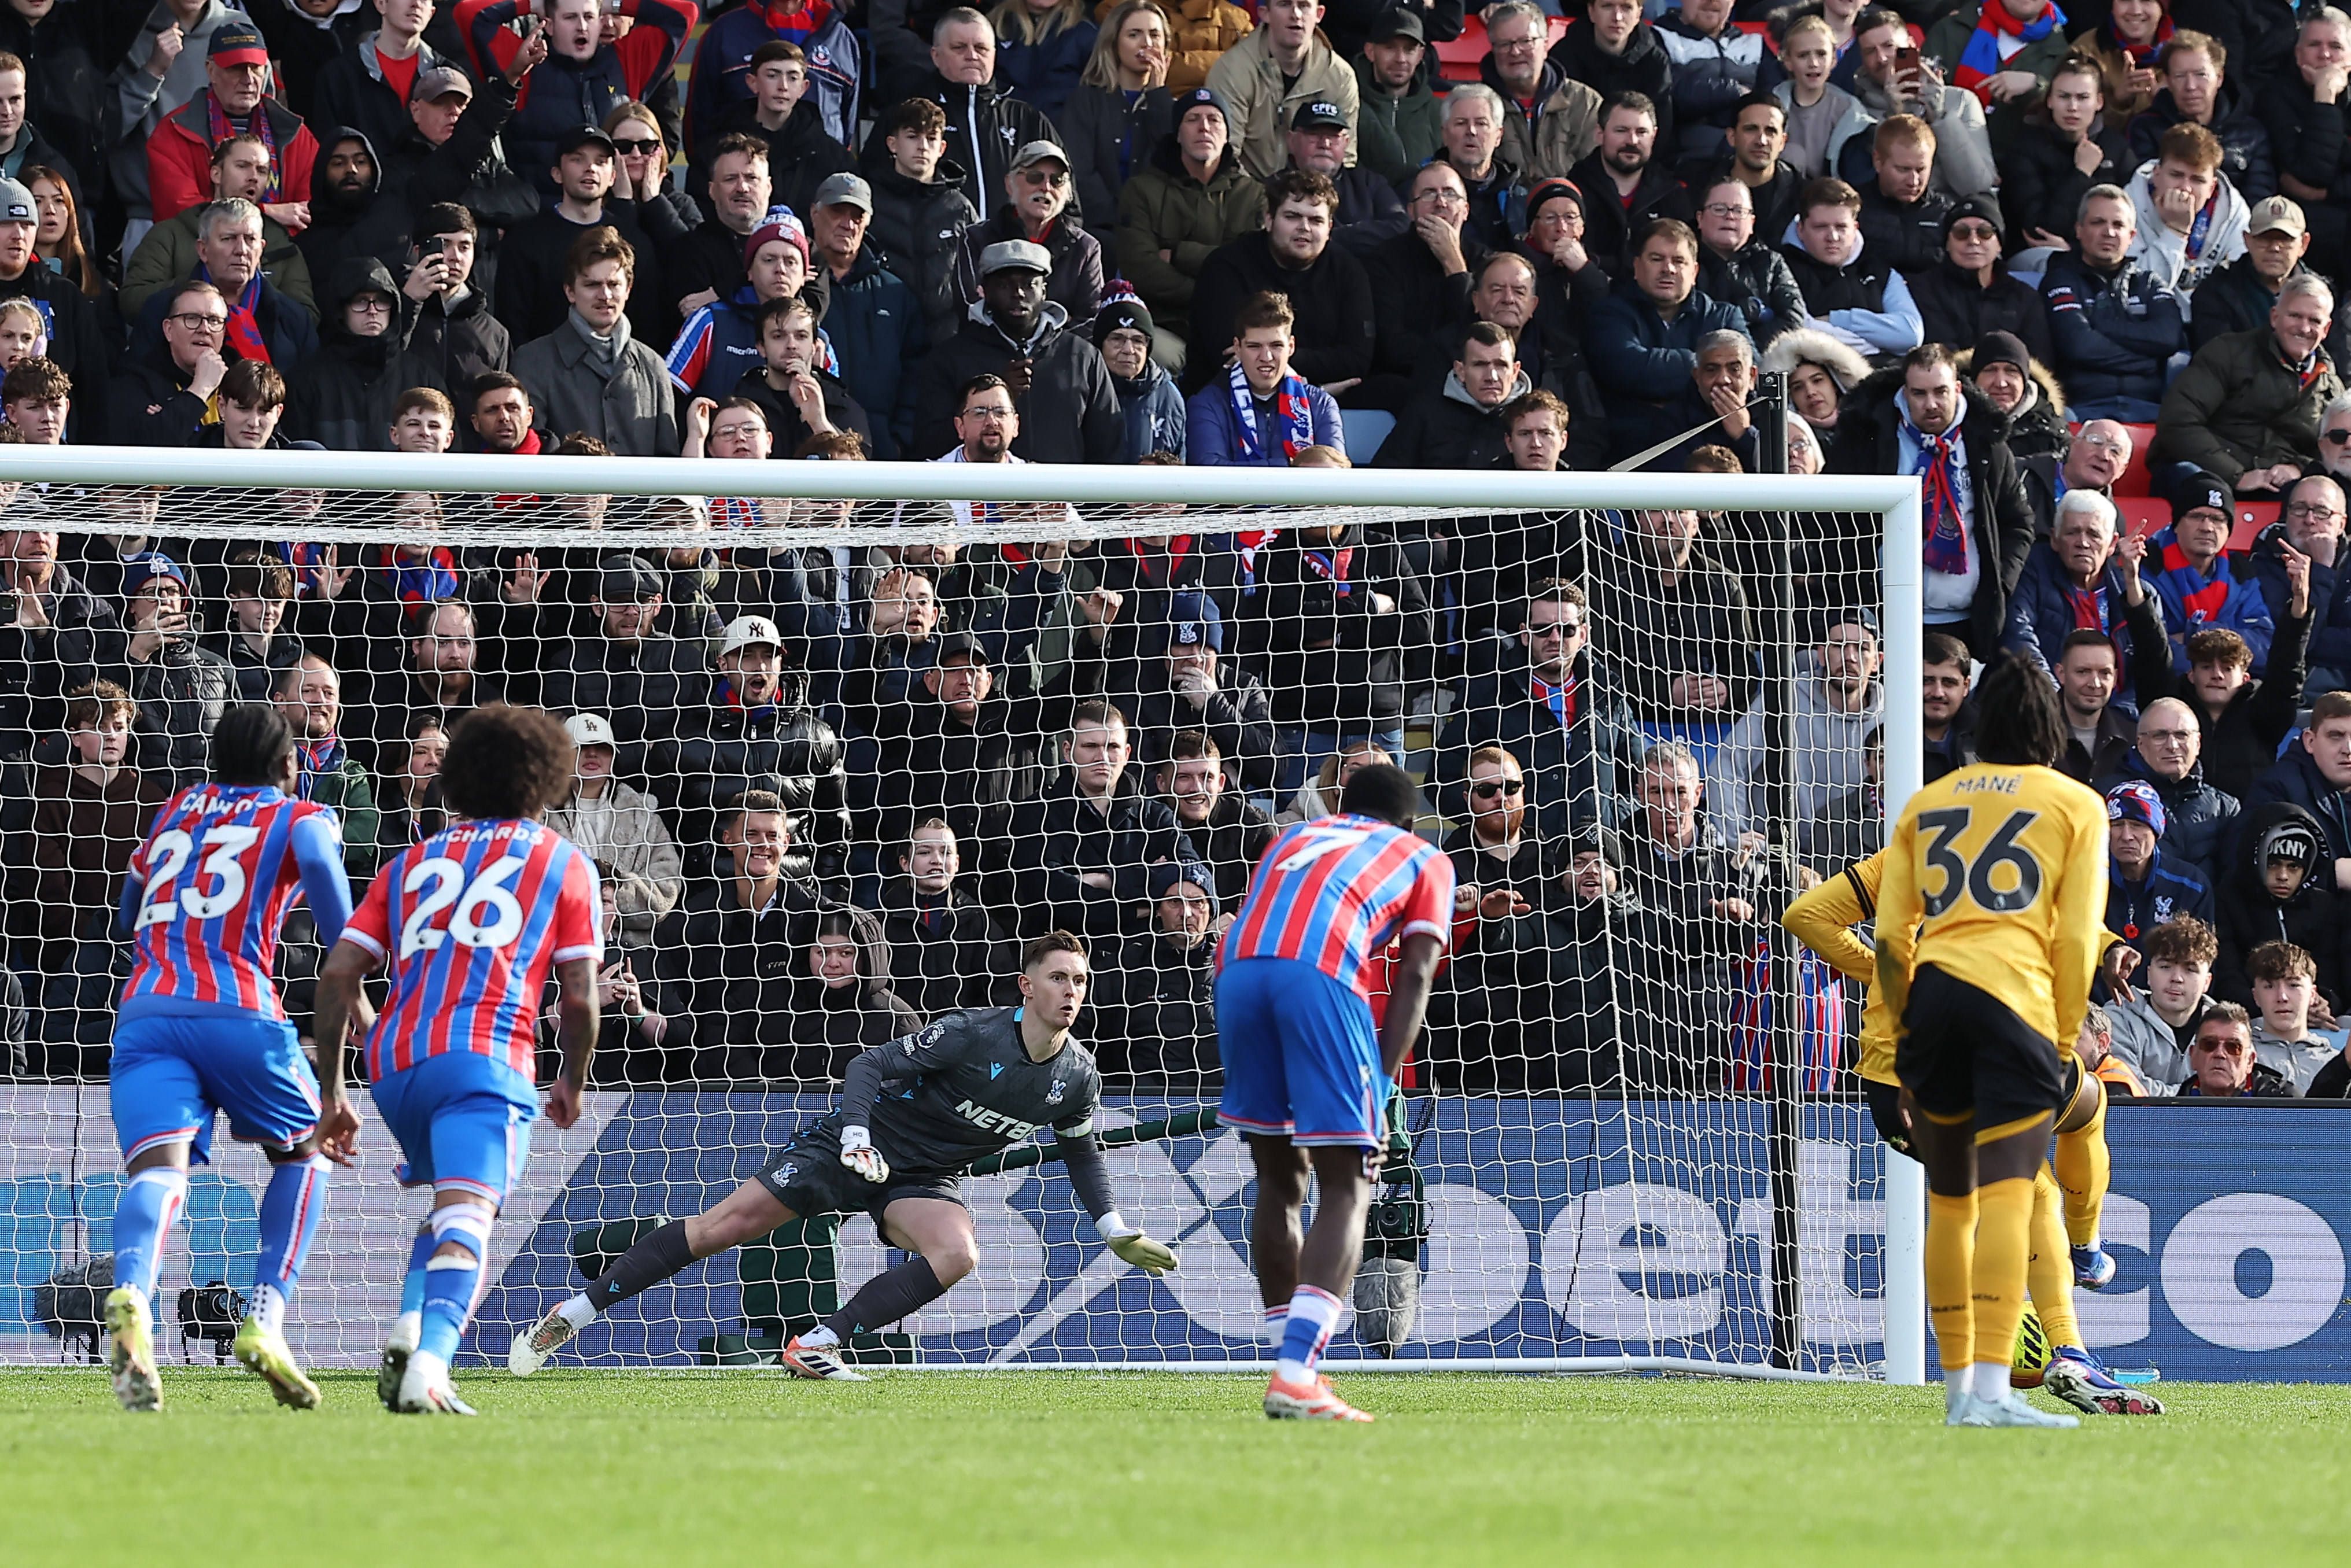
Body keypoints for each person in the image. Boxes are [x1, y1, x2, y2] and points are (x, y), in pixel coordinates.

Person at [512, 931, 1175, 1381]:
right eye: (1058, 977)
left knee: (959, 1252)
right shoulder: (969, 1033)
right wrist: (855, 1134)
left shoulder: (1078, 1074)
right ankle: (572, 1315)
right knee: (721, 1229)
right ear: (1026, 986)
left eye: (1080, 980)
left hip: (921, 1177)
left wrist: (1112, 1227)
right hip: (852, 1143)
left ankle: (819, 1343)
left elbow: (1082, 1149)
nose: (1071, 989)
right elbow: (868, 1063)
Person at [310, 704, 600, 1415]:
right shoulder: (562, 861)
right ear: (545, 782)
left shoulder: (409, 861)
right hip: (486, 1058)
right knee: (471, 1213)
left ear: (459, 776)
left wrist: (338, 1086)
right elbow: (583, 998)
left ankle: (410, 1332)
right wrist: (571, 1078)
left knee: (447, 1208)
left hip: (398, 1070)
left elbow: (337, 973)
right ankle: (432, 1366)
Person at [97, 704, 358, 1414]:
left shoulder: (175, 810)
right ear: (286, 764)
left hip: (147, 1013)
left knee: (159, 1171)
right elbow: (345, 935)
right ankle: (266, 1320)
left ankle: (132, 1297)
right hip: (241, 1012)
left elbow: (126, 915)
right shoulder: (300, 816)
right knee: (307, 1151)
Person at [1873, 652, 2103, 1427]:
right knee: (2009, 1189)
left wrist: (1903, 1039)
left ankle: (1956, 1392)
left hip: (1933, 998)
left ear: (1976, 724)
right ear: (2049, 727)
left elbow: (1889, 936)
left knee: (1948, 1198)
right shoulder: (2074, 803)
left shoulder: (1927, 802)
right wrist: (2063, 1033)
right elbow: (2075, 939)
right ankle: (1993, 1393)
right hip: (2015, 999)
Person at [1215, 760, 1448, 1420]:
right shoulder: (1422, 855)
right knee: (1351, 1178)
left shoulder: (1294, 838)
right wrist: (1379, 1074)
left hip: (1236, 971)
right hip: (1316, 975)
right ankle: (1296, 1372)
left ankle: (1289, 1366)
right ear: (1407, 821)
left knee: (1279, 1180)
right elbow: (1416, 976)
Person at [1828, 344, 2035, 661]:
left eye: (1941, 392)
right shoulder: (1867, 440)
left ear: (1958, 389)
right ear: (1905, 392)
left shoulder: (1987, 446)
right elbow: (1834, 520)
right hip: (1885, 618)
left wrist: (1999, 586)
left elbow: (2017, 523)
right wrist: (1857, 595)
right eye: (1919, 394)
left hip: (1967, 621)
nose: (1931, 404)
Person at [452, 0, 697, 200]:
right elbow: (470, 14)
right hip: (540, 217)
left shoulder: (625, 60)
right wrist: (532, 4)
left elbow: (684, 15)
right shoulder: (526, 62)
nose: (582, 27)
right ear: (548, 25)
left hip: (613, 218)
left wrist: (614, 4)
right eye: (570, 18)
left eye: (589, 17)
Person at [912, 237, 1122, 463]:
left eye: (1030, 284)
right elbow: (929, 445)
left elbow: (1109, 446)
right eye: (1004, 285)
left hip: (1061, 496)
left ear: (1044, 290)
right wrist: (996, 395)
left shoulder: (1083, 356)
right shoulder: (950, 358)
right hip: (978, 495)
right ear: (984, 291)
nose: (1018, 294)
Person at [1185, 166, 1375, 395]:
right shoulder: (1226, 266)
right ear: (1269, 219)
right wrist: (1306, 387)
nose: (1304, 228)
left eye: (1316, 220)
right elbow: (1229, 358)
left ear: (1330, 228)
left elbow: (1357, 360)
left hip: (1328, 398)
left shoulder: (1348, 270)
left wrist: (1285, 371)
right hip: (1228, 399)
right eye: (1292, 217)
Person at [860, 8, 1061, 223]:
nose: (972, 56)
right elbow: (871, 190)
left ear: (994, 55)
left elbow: (1066, 199)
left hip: (1013, 252)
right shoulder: (907, 116)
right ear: (935, 56)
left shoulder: (1027, 120)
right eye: (959, 48)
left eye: (981, 48)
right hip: (934, 252)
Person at [1707, 610, 1885, 840]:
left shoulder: (1893, 717)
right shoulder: (1785, 700)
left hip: (1866, 862)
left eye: (1861, 648)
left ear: (1877, 661)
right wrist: (1736, 837)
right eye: (1839, 646)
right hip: (1784, 862)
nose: (1849, 657)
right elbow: (1727, 766)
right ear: (1821, 655)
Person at [2157, 275, 2342, 495]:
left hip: (2278, 483)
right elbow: (2178, 421)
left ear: (2326, 329)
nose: (2304, 328)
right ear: (2275, 317)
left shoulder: (2331, 383)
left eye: (2314, 321)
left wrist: (2299, 467)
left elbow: (2337, 445)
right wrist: (2237, 475)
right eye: (2295, 316)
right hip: (2207, 471)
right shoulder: (2227, 353)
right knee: (2206, 493)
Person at [1587, 218, 1747, 463]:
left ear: (1694, 271)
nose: (1668, 269)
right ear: (1637, 266)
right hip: (1632, 460)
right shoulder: (1609, 314)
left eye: (1679, 261)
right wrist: (1700, 367)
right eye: (1656, 259)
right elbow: (1627, 369)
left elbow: (1747, 378)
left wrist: (1654, 387)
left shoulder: (1724, 316)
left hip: (1713, 459)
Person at [1113, 88, 1257, 359]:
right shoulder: (1142, 190)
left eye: (1214, 120)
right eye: (1193, 119)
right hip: (1163, 322)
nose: (1204, 127)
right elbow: (1141, 270)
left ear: (1227, 134)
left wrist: (1179, 254)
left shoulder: (1253, 195)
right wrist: (1215, 286)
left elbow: (1251, 268)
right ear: (1178, 134)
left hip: (1233, 328)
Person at [511, 225, 678, 457]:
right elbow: (528, 454)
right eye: (592, 285)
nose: (605, 296)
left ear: (628, 289)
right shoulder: (532, 360)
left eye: (614, 285)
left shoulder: (653, 364)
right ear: (570, 292)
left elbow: (667, 459)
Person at [2002, 490, 2166, 701]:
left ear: (2113, 544)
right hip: (2045, 705)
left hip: (2120, 716)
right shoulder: (2031, 575)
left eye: (2094, 534)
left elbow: (2156, 667)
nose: (2083, 543)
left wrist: (2121, 714)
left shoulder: (2140, 593)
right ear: (2055, 539)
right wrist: (2054, 699)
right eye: (2072, 532)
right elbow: (2017, 635)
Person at [866, 95, 981, 353]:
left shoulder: (960, 207)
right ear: (892, 144)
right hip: (885, 336)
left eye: (931, 138)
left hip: (948, 341)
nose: (922, 146)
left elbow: (978, 275)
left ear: (942, 148)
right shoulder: (869, 202)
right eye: (912, 136)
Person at [875, 816, 1017, 1020]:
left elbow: (1001, 995)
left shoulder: (979, 923)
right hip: (898, 1040)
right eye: (925, 852)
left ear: (957, 863)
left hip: (964, 1042)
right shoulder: (881, 922)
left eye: (946, 853)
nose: (937, 860)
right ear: (904, 863)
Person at [1060, 1, 1174, 248]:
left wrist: (1158, 96)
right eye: (1135, 35)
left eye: (1155, 35)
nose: (1147, 43)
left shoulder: (1169, 107)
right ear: (1114, 43)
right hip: (1098, 231)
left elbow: (1173, 166)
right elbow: (1080, 173)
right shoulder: (1086, 100)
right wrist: (1121, 221)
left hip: (1155, 235)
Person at [956, 138, 1105, 328]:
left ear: (1068, 193)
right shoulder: (976, 239)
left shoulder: (1086, 248)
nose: (1046, 187)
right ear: (1010, 184)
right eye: (1035, 177)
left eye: (1057, 180)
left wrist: (1042, 347)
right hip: (990, 353)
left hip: (1061, 356)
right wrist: (1058, 320)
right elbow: (972, 311)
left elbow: (1090, 322)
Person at [2215, 802, 2346, 1014]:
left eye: (2293, 866)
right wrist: (2278, 1008)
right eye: (2273, 864)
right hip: (2249, 1018)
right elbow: (2227, 978)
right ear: (2257, 861)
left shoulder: (2324, 907)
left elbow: (2332, 975)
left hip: (2313, 1018)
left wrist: (2326, 1003)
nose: (2283, 876)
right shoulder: (2228, 901)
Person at [1202, 0, 1354, 183]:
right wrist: (1267, 202)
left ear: (1319, 14)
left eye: (1304, 5)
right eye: (1284, 4)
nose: (1296, 14)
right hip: (1248, 195)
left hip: (1318, 198)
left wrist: (1315, 202)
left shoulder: (1340, 76)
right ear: (1264, 13)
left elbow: (1346, 160)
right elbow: (1223, 156)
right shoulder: (1232, 70)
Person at [2123, 28, 2275, 205]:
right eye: (2180, 76)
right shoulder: (2145, 128)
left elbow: (2260, 198)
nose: (2191, 86)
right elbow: (2142, 194)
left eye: (2201, 75)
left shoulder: (2250, 133)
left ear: (2219, 78)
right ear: (2168, 81)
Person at [1779, 176, 1922, 364]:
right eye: (1821, 227)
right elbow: (1797, 330)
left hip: (1879, 379)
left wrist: (1836, 320)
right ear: (1800, 229)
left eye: (1841, 227)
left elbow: (1911, 335)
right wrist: (1873, 345)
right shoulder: (1778, 268)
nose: (1833, 237)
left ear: (1855, 228)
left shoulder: (1880, 271)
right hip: (1805, 377)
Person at [1906, 194, 2051, 366]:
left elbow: (2040, 361)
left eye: (1985, 232)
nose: (1973, 241)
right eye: (1961, 233)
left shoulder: (2025, 297)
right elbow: (1939, 353)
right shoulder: (1922, 289)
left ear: (1999, 243)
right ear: (1947, 243)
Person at [2005, 52, 2129, 249]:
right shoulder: (2026, 147)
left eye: (2083, 98)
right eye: (2064, 97)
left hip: (2099, 256)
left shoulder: (2117, 148)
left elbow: (2129, 225)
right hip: (2036, 255)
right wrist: (2081, 174)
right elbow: (2039, 229)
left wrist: (2074, 251)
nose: (2072, 107)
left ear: (2099, 102)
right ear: (2050, 101)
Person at [1567, 91, 1688, 281]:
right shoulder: (1573, 191)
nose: (1632, 141)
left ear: (1654, 136)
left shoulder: (1672, 193)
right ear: (1600, 134)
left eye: (1642, 132)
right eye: (1621, 131)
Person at [1479, 1, 1600, 185]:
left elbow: (1597, 177)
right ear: (1493, 49)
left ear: (1545, 45)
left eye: (1526, 41)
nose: (1515, 51)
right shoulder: (1477, 106)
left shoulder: (1585, 102)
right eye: (1504, 44)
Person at [2192, 195, 2326, 352]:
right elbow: (2217, 356)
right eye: (2265, 238)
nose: (2275, 247)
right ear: (2247, 241)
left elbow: (2336, 358)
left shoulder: (2323, 296)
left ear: (2304, 244)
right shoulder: (2216, 291)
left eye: (2285, 239)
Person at [2104, 777, 2215, 961]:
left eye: (2137, 826)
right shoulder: (2090, 878)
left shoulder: (2191, 885)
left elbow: (2202, 959)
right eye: (2117, 825)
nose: (2126, 836)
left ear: (2157, 831)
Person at [1692, 175, 1804, 354]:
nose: (1729, 216)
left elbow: (1794, 322)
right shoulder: (1684, 263)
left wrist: (1743, 351)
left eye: (1739, 211)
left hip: (1764, 362)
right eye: (1719, 209)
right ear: (1700, 219)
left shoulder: (1771, 262)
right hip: (1701, 364)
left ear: (1752, 222)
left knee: (1779, 377)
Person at [1771, 13, 1872, 181]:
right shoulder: (1773, 104)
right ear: (1788, 61)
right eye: (1803, 55)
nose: (1814, 63)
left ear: (1834, 59)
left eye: (1821, 54)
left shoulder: (1849, 110)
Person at [1352, 7, 1443, 187]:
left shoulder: (1438, 111)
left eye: (1409, 50)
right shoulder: (1351, 104)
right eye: (1390, 48)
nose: (1401, 59)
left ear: (1420, 55)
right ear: (1370, 51)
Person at [1093, 286, 1184, 460]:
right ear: (1100, 344)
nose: (1129, 350)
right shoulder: (1083, 388)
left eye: (1138, 341)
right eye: (1117, 339)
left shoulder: (1169, 396)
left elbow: (1178, 462)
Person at [2245, 939, 2342, 1093]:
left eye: (2294, 985)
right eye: (2269, 986)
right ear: (2256, 996)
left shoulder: (2336, 1062)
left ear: (2312, 995)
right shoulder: (2240, 1058)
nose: (2282, 997)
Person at [2177, 1002, 2294, 1097]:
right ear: (2193, 1056)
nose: (2220, 1054)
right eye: (2209, 1044)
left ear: (2250, 1061)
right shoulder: (2172, 1112)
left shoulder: (2286, 1104)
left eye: (2233, 1047)